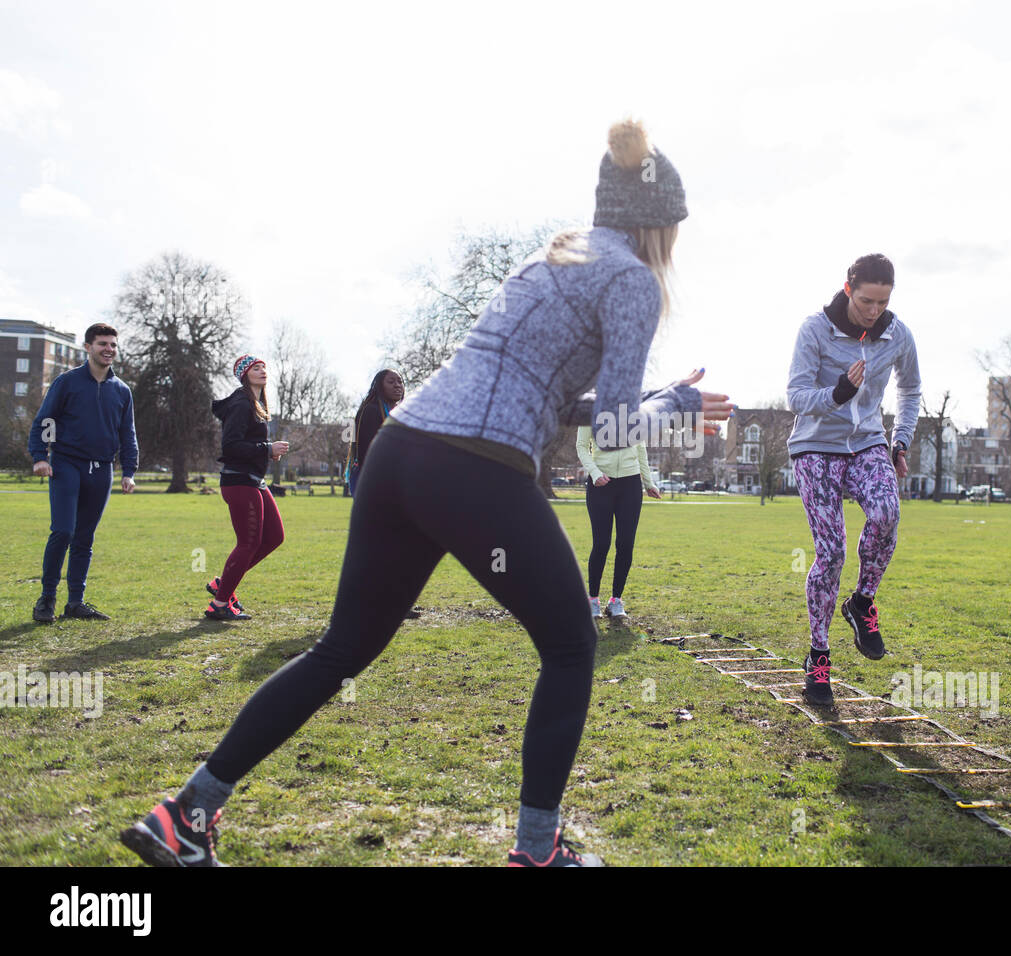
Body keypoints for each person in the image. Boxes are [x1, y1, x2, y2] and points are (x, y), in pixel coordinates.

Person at [122, 118, 734, 868]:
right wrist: (671, 409)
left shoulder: (548, 261)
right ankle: (539, 853)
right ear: (659, 225)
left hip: (401, 455)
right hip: (471, 470)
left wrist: (663, 391)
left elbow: (538, 395)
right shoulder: (634, 280)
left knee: (341, 649)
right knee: (573, 646)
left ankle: (186, 811)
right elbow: (611, 435)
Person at [786, 254, 921, 704]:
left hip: (867, 444)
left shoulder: (897, 334)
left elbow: (910, 389)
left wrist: (899, 441)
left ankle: (862, 602)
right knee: (832, 551)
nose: (874, 311)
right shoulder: (815, 330)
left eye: (882, 302)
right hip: (815, 446)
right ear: (848, 289)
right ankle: (819, 658)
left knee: (887, 513)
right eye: (866, 301)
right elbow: (796, 397)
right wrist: (839, 392)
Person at [28, 323, 138, 623]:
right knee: (63, 530)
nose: (109, 349)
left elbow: (127, 434)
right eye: (102, 344)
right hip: (66, 464)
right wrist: (40, 456)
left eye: (113, 345)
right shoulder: (67, 382)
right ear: (88, 347)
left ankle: (75, 603)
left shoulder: (122, 390)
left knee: (85, 537)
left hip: (101, 470)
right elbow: (43, 421)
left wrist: (129, 471)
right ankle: (47, 599)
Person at [204, 355, 290, 621]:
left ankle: (223, 584)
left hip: (253, 480)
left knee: (274, 537)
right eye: (256, 368)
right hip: (239, 481)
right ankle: (219, 604)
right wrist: (267, 448)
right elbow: (230, 446)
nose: (262, 370)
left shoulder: (256, 404)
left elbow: (246, 444)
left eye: (264, 366)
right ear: (244, 374)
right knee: (249, 543)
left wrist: (266, 453)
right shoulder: (241, 403)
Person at [576, 416, 664, 620]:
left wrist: (648, 482)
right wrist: (595, 472)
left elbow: (640, 448)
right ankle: (593, 601)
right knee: (601, 544)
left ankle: (616, 600)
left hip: (630, 485)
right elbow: (581, 446)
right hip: (600, 484)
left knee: (625, 544)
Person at [345, 369, 404, 496]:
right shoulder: (371, 411)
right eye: (391, 381)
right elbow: (368, 453)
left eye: (400, 381)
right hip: (375, 484)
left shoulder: (400, 414)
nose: (397, 385)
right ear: (380, 387)